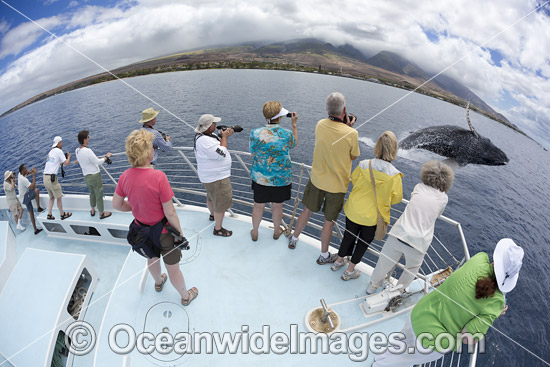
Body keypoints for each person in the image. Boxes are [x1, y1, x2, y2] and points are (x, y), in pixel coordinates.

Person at [373, 238, 524, 367]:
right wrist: (495, 312)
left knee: (401, 342)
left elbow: (476, 285)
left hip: (420, 312)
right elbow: (467, 338)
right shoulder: (495, 303)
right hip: (434, 341)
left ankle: (381, 357)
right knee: (402, 360)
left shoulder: (480, 258)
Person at [112, 129, 198, 306]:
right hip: (164, 232)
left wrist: (135, 207)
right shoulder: (158, 177)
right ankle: (185, 296)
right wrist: (180, 235)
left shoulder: (124, 177)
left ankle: (158, 283)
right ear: (147, 152)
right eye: (152, 146)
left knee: (151, 259)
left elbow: (117, 205)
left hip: (141, 230)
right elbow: (170, 212)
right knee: (173, 269)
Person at [288, 92, 360, 265]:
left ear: (327, 109)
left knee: (307, 210)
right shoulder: (351, 134)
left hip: (317, 180)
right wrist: (349, 128)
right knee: (329, 221)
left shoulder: (320, 124)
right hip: (337, 186)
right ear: (344, 110)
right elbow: (353, 156)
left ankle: (294, 239)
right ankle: (324, 255)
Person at [367, 160, 454, 293]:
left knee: (383, 263)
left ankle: (372, 287)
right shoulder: (443, 198)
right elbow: (438, 214)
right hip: (418, 243)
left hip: (399, 234)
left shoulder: (418, 187)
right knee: (411, 270)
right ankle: (397, 293)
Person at [331, 131, 403, 280]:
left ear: (377, 146)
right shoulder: (394, 175)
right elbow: (396, 199)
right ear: (394, 149)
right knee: (362, 244)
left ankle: (338, 261)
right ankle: (349, 271)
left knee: (348, 237)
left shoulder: (364, 164)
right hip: (373, 217)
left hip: (354, 210)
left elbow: (355, 181)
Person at [249, 101, 298, 241]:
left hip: (260, 177)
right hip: (280, 179)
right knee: (277, 206)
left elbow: (253, 153)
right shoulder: (287, 134)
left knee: (258, 206)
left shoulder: (256, 133)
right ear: (280, 116)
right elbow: (294, 144)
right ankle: (276, 232)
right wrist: (294, 125)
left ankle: (255, 233)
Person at [194, 114, 234, 237]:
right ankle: (218, 228)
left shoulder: (202, 136)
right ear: (209, 126)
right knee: (221, 203)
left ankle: (212, 215)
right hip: (217, 178)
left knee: (211, 198)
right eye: (214, 124)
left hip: (210, 177)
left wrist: (223, 136)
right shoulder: (205, 141)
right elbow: (221, 153)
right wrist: (225, 137)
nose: (215, 125)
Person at [75, 130, 113, 219]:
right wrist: (107, 156)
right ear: (84, 139)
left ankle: (92, 210)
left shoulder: (77, 150)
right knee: (99, 194)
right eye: (88, 137)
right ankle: (101, 214)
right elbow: (98, 162)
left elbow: (81, 160)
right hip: (94, 176)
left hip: (86, 177)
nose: (89, 139)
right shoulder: (88, 151)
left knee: (92, 193)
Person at [43, 136, 72, 220]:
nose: (62, 144)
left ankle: (49, 214)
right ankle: (62, 215)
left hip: (45, 177)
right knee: (58, 197)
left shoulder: (51, 152)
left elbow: (54, 163)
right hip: (52, 179)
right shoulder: (59, 151)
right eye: (61, 142)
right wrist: (69, 156)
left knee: (51, 197)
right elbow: (66, 163)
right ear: (59, 143)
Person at [17, 164, 45, 235]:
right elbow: (32, 187)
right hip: (25, 197)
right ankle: (39, 208)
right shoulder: (23, 179)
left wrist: (31, 171)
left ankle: (35, 230)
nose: (27, 170)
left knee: (31, 213)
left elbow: (27, 173)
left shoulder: (20, 174)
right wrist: (34, 175)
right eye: (25, 169)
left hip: (23, 198)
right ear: (22, 171)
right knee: (36, 190)